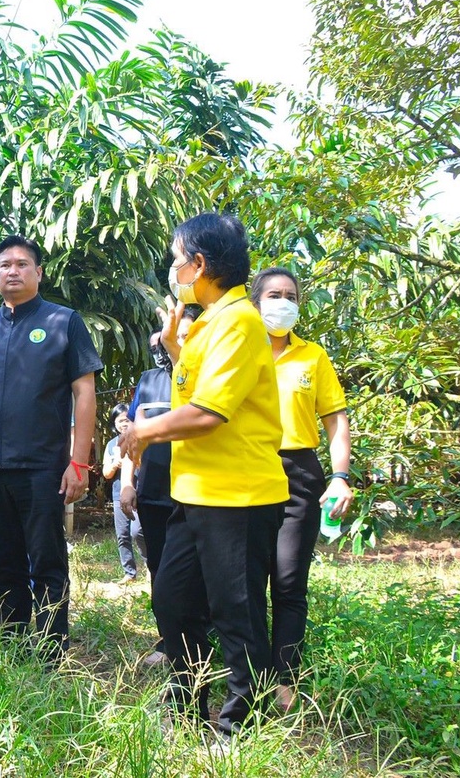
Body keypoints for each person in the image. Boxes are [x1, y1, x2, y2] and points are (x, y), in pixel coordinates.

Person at [119, 212, 288, 737]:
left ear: (200, 264)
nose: (173, 270)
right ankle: (187, 707)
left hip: (237, 495)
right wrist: (176, 350)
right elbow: (194, 394)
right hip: (196, 494)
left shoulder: (238, 321)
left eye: (177, 259)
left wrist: (142, 433)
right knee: (172, 600)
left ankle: (241, 728)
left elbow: (208, 414)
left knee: (235, 613)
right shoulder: (211, 322)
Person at [0, 235, 103, 659]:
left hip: (42, 468)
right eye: (4, 265)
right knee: (2, 561)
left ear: (38, 272)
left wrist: (78, 462)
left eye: (22, 264)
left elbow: (84, 392)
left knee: (46, 561)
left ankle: (52, 650)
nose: (12, 271)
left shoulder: (63, 321)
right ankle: (10, 647)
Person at [251, 266, 353, 713]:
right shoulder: (238, 347)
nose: (282, 301)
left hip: (299, 473)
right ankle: (248, 673)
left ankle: (284, 679)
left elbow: (334, 418)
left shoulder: (313, 356)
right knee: (247, 580)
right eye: (273, 293)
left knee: (289, 581)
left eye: (290, 294)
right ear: (256, 300)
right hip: (247, 470)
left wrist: (340, 475)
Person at [119, 317, 196, 666]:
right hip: (153, 491)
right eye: (169, 334)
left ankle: (200, 641)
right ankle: (168, 643)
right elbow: (132, 437)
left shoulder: (204, 379)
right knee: (160, 570)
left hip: (195, 491)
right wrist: (127, 484)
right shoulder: (148, 382)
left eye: (183, 333)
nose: (174, 339)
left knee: (198, 572)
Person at [101, 403, 144, 582]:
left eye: (126, 419)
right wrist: (115, 463)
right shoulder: (112, 444)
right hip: (119, 493)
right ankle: (129, 573)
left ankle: (151, 565)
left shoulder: (140, 438)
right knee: (123, 534)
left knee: (139, 531)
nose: (123, 424)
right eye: (119, 421)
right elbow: (106, 473)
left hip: (139, 490)